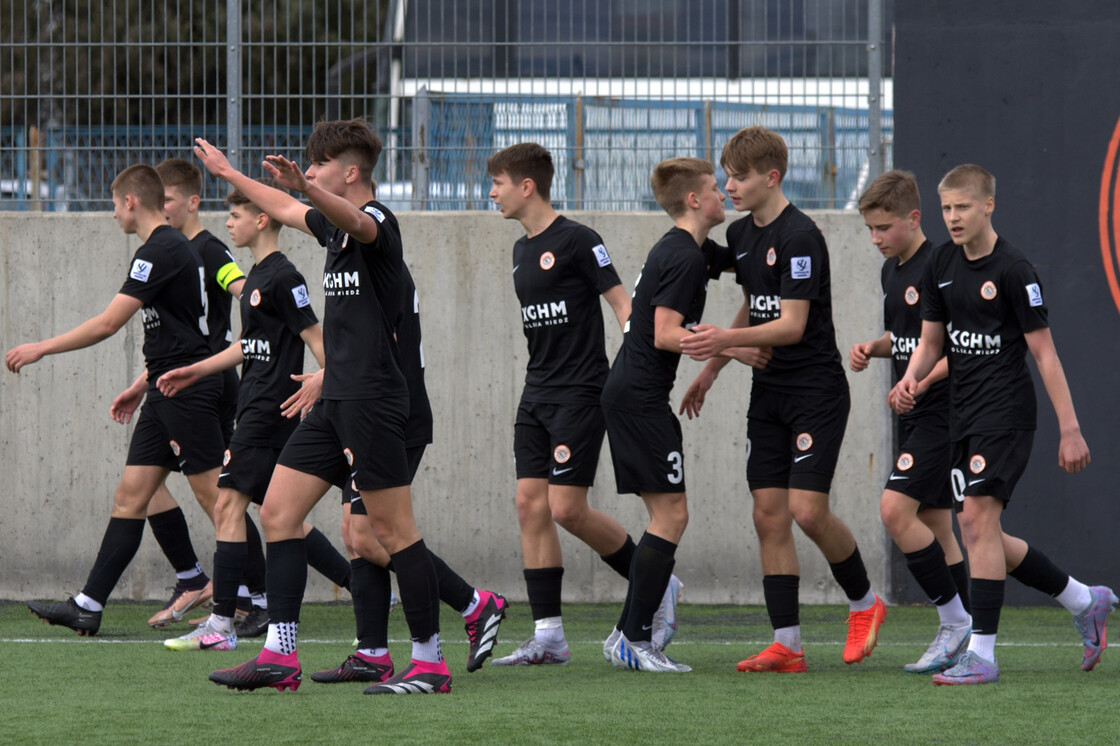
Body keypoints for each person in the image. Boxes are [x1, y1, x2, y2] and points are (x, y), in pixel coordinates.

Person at [194, 119, 451, 695]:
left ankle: (430, 663)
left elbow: (353, 219)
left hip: (375, 401)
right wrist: (229, 174)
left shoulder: (378, 220)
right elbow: (286, 212)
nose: (307, 172)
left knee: (391, 531)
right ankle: (279, 655)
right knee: (279, 513)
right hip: (335, 399)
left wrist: (306, 190)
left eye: (319, 166)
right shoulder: (333, 234)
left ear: (350, 173)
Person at [894, 163, 1116, 685]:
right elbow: (931, 341)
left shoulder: (1015, 270)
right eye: (946, 208)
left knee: (974, 521)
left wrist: (1070, 428)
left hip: (1006, 415)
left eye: (963, 207)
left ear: (988, 205)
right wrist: (910, 380)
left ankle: (983, 655)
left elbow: (1046, 355)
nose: (953, 218)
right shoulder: (940, 263)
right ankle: (1085, 601)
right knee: (982, 529)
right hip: (960, 415)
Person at [679, 126, 885, 673]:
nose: (731, 185)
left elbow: (791, 325)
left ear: (772, 178)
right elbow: (755, 305)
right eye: (727, 176)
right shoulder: (744, 235)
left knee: (806, 510)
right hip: (767, 394)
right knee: (768, 515)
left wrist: (722, 341)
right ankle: (788, 645)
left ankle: (866, 604)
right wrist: (713, 371)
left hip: (815, 392)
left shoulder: (801, 237)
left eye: (740, 177)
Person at [485, 142, 680, 666]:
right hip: (537, 392)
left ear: (527, 186)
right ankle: (548, 635)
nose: (491, 193)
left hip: (581, 390)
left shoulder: (578, 240)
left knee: (565, 508)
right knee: (530, 505)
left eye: (498, 183)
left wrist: (634, 372)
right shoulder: (520, 249)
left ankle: (655, 582)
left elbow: (624, 307)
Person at [10, 164, 225, 636]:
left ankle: (256, 599)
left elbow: (109, 323)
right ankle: (89, 605)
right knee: (131, 496)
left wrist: (42, 348)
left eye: (113, 204)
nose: (112, 215)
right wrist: (143, 382)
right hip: (164, 388)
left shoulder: (160, 250)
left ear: (131, 201)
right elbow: (175, 330)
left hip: (185, 392)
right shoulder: (166, 249)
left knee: (218, 502)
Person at [156, 178, 345, 652]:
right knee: (281, 515)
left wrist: (325, 388)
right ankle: (359, 585)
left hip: (268, 413)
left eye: (236, 215)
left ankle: (221, 626)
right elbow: (250, 346)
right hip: (255, 409)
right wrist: (194, 371)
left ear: (262, 219)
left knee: (228, 506)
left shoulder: (285, 277)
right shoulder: (256, 278)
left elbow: (319, 343)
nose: (229, 223)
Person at [601, 157, 732, 673]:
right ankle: (636, 637)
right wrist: (733, 347)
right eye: (717, 189)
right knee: (672, 515)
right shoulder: (682, 255)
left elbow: (745, 258)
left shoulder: (689, 250)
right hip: (637, 397)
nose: (725, 195)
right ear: (695, 200)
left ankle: (624, 634)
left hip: (633, 395)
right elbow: (662, 332)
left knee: (667, 514)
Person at [848, 170, 972, 673]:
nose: (876, 239)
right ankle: (973, 630)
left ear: (914, 218)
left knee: (895, 512)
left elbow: (955, 348)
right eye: (870, 230)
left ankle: (955, 620)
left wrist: (918, 383)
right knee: (938, 524)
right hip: (913, 410)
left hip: (942, 414)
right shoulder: (891, 270)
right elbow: (908, 338)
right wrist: (872, 348)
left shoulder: (942, 266)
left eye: (884, 228)